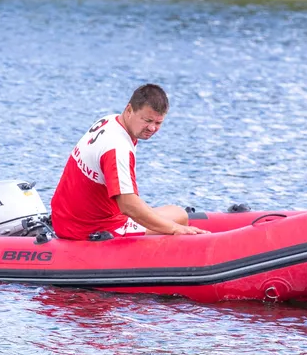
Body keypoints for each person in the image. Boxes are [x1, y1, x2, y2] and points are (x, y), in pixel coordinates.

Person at [50, 83, 206, 240]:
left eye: (158, 123)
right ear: (129, 110)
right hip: (90, 228)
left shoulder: (109, 121)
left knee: (173, 211)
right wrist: (175, 228)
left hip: (63, 218)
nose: (152, 128)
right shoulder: (118, 148)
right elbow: (127, 205)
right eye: (147, 120)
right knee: (179, 217)